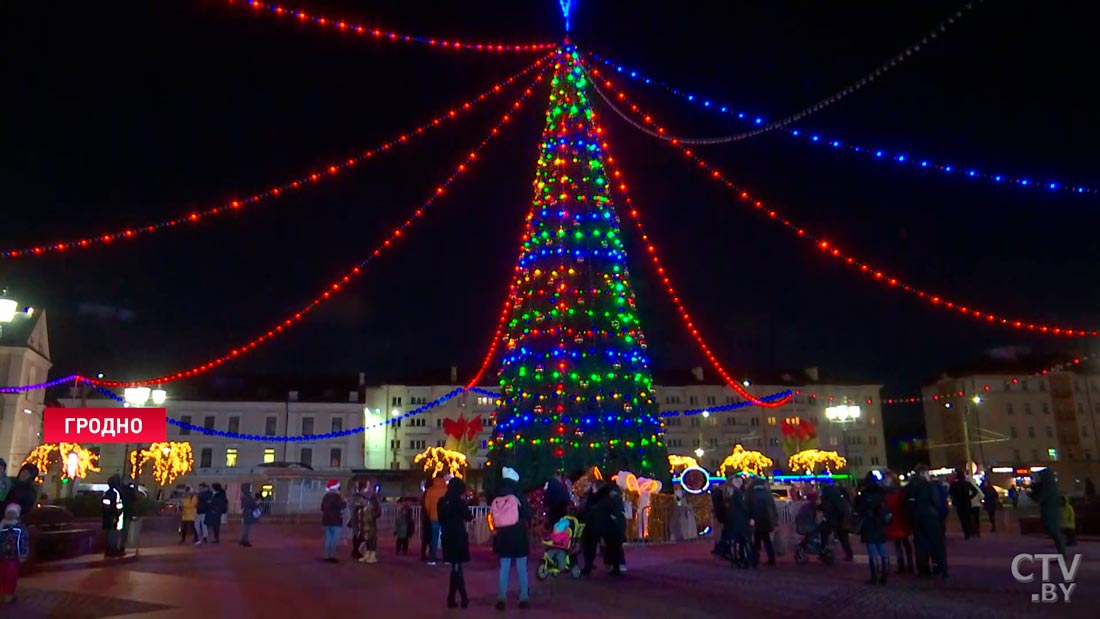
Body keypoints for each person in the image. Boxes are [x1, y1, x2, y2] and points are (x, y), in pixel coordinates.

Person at [492, 467, 531, 610]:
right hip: (519, 535)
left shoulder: (498, 496)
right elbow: (528, 513)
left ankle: (501, 598)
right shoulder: (518, 496)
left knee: (504, 568)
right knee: (522, 568)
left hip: (503, 536)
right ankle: (524, 597)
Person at [906, 465, 948, 578]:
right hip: (931, 518)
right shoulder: (929, 486)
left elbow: (906, 505)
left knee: (920, 545)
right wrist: (941, 515)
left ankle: (923, 569)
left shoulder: (909, 487)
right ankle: (939, 568)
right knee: (936, 544)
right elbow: (936, 502)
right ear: (923, 473)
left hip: (916, 519)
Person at [439, 477, 473, 609]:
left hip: (447, 536)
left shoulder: (442, 502)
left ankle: (452, 598)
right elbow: (468, 517)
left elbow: (441, 517)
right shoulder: (459, 502)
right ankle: (463, 597)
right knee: (457, 567)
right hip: (458, 536)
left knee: (455, 567)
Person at [856, 472, 890, 585]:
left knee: (872, 550)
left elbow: (858, 508)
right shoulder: (881, 493)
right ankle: (885, 573)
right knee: (882, 547)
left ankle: (875, 576)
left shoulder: (864, 495)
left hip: (869, 523)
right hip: (880, 523)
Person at [1029, 468, 1065, 555]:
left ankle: (1062, 553)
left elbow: (1041, 498)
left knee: (1054, 532)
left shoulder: (1049, 487)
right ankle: (1061, 553)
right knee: (1053, 531)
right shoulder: (1049, 485)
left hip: (1051, 512)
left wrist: (1031, 495)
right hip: (1049, 511)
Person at [883, 471, 913, 574]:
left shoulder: (891, 492)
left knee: (900, 544)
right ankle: (908, 565)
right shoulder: (899, 491)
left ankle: (904, 566)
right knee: (903, 543)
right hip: (899, 519)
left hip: (897, 519)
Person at [0, 504, 30, 604]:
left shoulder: (20, 527)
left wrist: (23, 553)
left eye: (13, 513)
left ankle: (9, 594)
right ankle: (4, 593)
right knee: (2, 575)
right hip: (2, 556)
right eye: (9, 513)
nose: (10, 515)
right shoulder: (1, 526)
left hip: (14, 557)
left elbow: (24, 541)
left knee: (11, 576)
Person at [820, 482, 854, 561]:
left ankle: (823, 552)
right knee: (843, 538)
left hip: (832, 519)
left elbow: (825, 506)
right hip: (841, 519)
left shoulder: (827, 496)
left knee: (824, 534)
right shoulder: (840, 497)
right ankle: (849, 554)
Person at [747, 478, 778, 566]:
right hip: (766, 519)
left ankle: (755, 559)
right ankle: (771, 558)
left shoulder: (751, 493)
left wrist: (750, 517)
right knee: (766, 539)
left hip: (756, 519)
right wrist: (775, 520)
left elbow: (749, 505)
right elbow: (772, 507)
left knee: (757, 540)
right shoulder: (767, 493)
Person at [724, 477, 752, 568]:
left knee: (734, 541)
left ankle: (735, 560)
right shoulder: (738, 493)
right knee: (744, 541)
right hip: (740, 520)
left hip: (732, 520)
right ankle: (745, 560)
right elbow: (743, 507)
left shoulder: (729, 492)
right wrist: (750, 515)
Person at [321, 479, 346, 563]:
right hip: (336, 521)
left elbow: (322, 508)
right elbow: (342, 506)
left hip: (326, 520)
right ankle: (331, 556)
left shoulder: (325, 497)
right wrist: (345, 502)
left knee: (328, 538)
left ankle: (326, 555)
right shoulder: (336, 497)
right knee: (334, 539)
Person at [948, 470, 978, 539]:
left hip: (959, 503)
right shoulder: (967, 483)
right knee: (968, 517)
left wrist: (955, 498)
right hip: (967, 502)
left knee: (962, 518)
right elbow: (975, 491)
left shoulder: (954, 484)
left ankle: (966, 532)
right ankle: (971, 531)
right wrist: (970, 497)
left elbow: (950, 492)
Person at [424, 475, 447, 565]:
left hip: (434, 517)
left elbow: (427, 504)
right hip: (445, 517)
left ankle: (432, 559)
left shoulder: (431, 490)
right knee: (445, 537)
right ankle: (446, 558)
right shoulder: (446, 489)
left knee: (434, 538)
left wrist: (430, 512)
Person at [356, 483, 381, 564]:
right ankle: (367, 553)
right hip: (365, 524)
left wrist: (372, 516)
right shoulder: (363, 507)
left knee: (371, 539)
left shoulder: (372, 504)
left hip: (371, 524)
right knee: (367, 539)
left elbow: (377, 513)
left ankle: (372, 555)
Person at [102, 474, 125, 557]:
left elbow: (104, 505)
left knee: (109, 533)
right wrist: (118, 513)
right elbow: (119, 505)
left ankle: (109, 549)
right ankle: (113, 549)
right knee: (114, 533)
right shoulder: (116, 493)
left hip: (108, 516)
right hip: (115, 516)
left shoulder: (107, 493)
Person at [348, 481, 370, 560]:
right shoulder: (356, 497)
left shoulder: (356, 496)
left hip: (357, 517)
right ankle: (355, 550)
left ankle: (356, 550)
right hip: (357, 517)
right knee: (358, 534)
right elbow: (357, 505)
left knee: (357, 534)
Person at [709, 483, 728, 556]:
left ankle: (719, 548)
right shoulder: (720, 493)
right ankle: (721, 548)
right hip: (721, 515)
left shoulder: (715, 494)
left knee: (718, 533)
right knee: (720, 533)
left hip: (718, 515)